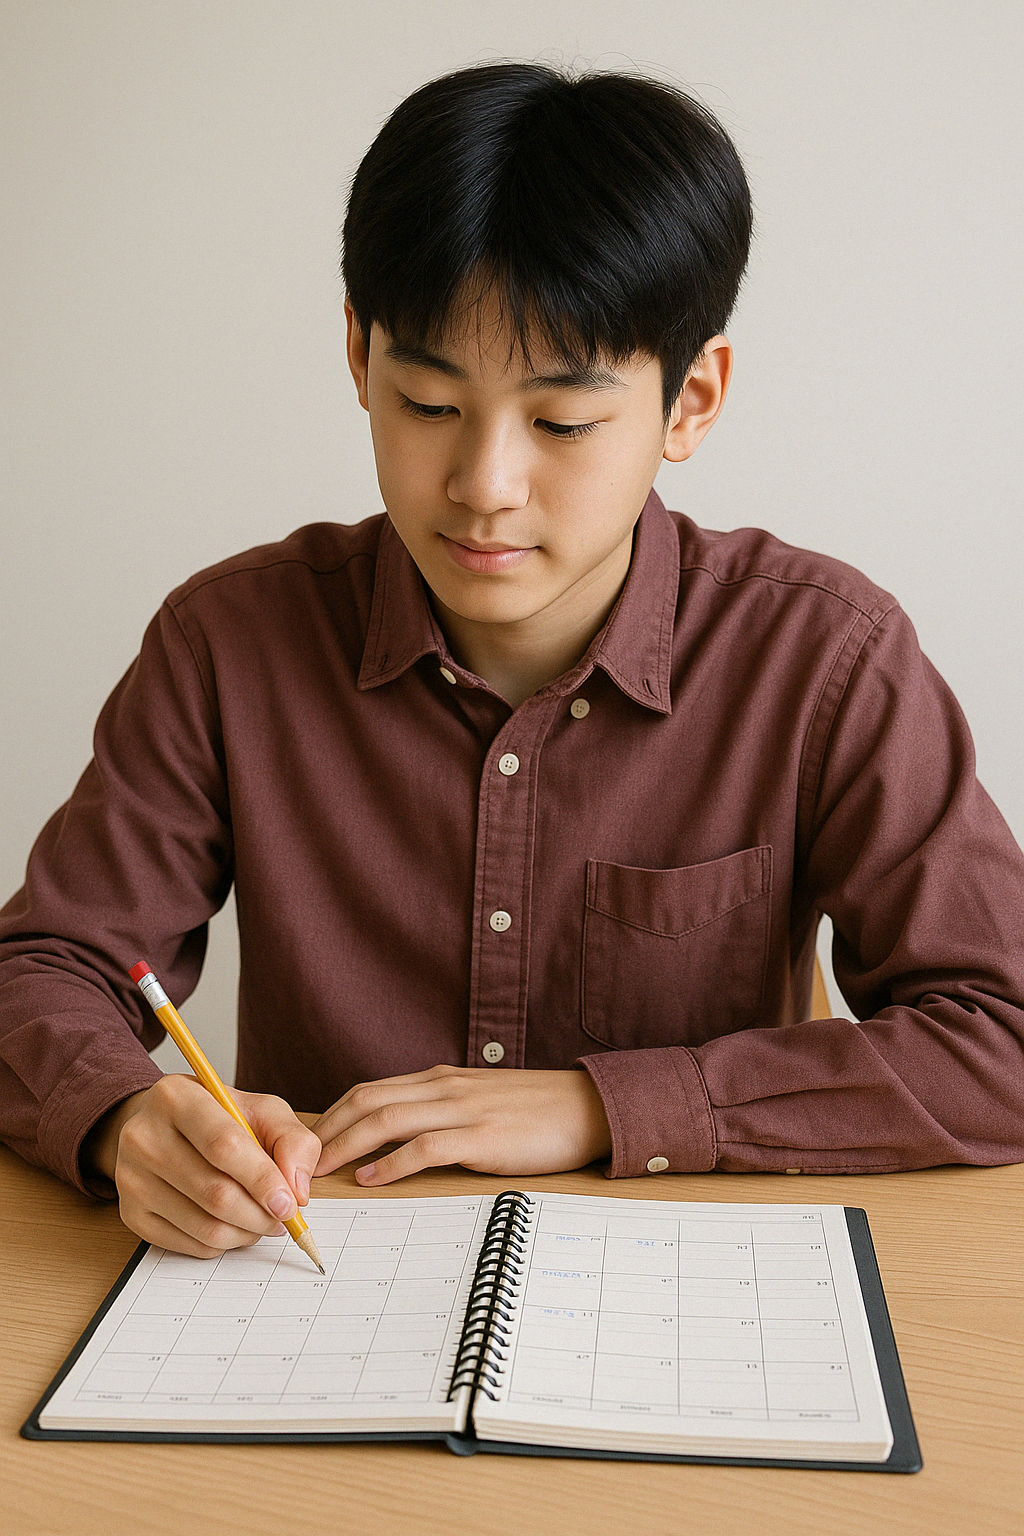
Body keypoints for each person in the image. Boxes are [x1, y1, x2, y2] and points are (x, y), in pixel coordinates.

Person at [2, 62, 1023, 1263]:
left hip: (685, 1302)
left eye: (562, 424)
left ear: (689, 401)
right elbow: (47, 967)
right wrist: (126, 1120)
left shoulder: (821, 656)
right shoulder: (230, 643)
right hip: (314, 1295)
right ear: (357, 360)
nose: (484, 487)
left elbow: (997, 1035)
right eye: (428, 403)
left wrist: (609, 1103)